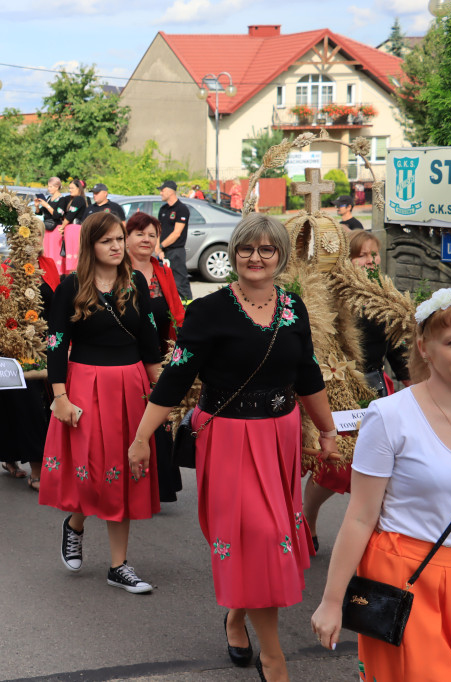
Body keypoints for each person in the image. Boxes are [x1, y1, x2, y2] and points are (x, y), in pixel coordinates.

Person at [129, 213, 338, 681]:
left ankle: (237, 616)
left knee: (267, 537)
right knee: (259, 537)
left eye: (267, 249)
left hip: (280, 434)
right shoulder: (209, 310)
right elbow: (178, 375)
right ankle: (274, 655)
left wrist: (326, 431)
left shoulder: (293, 307)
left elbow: (307, 372)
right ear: (234, 252)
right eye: (246, 247)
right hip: (229, 438)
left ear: (281, 255)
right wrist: (142, 437)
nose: (255, 257)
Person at [311, 288, 451, 681]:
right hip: (406, 575)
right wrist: (332, 601)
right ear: (424, 347)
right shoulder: (389, 416)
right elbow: (360, 517)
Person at [40, 212, 163, 594]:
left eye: (118, 239)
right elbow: (57, 344)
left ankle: (118, 565)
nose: (115, 246)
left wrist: (162, 391)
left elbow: (149, 341)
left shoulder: (136, 282)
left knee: (124, 471)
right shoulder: (70, 286)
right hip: (84, 385)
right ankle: (75, 524)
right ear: (90, 245)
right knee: (92, 469)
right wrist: (59, 397)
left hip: (131, 385)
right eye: (106, 240)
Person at [303, 230, 411, 550]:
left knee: (382, 466)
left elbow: (397, 349)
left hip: (377, 387)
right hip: (339, 388)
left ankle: (372, 538)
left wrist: (413, 384)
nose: (370, 260)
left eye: (374, 254)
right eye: (361, 255)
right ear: (345, 260)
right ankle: (307, 516)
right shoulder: (330, 295)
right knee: (339, 466)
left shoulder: (384, 294)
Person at [124, 211, 185, 503]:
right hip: (127, 358)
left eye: (152, 234)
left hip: (161, 356)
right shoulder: (116, 270)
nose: (147, 239)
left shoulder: (163, 270)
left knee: (160, 419)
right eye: (140, 233)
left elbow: (176, 312)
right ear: (126, 237)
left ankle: (158, 486)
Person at [0, 250, 58, 491]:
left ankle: (30, 461)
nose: (35, 242)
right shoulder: (8, 267)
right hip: (15, 346)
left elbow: (59, 305)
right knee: (20, 404)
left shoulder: (48, 264)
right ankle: (28, 466)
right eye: (31, 236)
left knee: (41, 405)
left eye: (39, 236)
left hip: (46, 345)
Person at [156, 180, 192, 301]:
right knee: (163, 283)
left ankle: (187, 307)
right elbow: (158, 231)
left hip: (176, 251)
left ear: (170, 191)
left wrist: (161, 245)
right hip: (163, 252)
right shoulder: (163, 209)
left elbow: (176, 233)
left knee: (180, 282)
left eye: (162, 190)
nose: (160, 193)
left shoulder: (181, 209)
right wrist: (158, 249)